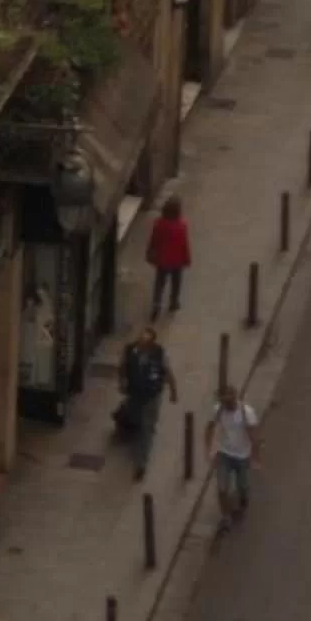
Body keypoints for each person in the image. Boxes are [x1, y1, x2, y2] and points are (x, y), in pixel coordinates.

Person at [116, 323, 178, 480]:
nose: (141, 344)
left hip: (152, 395)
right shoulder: (130, 350)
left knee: (147, 428)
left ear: (151, 343)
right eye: (140, 340)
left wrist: (173, 391)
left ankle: (141, 464)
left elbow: (168, 372)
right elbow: (122, 366)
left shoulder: (159, 353)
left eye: (145, 342)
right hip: (135, 393)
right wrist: (122, 381)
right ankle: (129, 427)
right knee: (134, 418)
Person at [206, 383, 262, 530]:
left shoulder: (246, 412)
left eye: (229, 402)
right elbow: (210, 428)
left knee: (243, 485)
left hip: (243, 456)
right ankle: (226, 516)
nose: (227, 405)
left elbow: (254, 436)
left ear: (235, 397)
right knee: (222, 488)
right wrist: (210, 450)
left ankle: (243, 501)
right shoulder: (218, 410)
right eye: (224, 402)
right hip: (224, 454)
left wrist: (255, 458)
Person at [145, 192, 192, 320]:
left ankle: (156, 305)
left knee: (159, 283)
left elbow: (154, 241)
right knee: (176, 282)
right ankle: (173, 302)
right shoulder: (181, 226)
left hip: (162, 260)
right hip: (177, 261)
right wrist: (187, 259)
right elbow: (184, 244)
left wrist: (150, 252)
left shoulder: (159, 224)